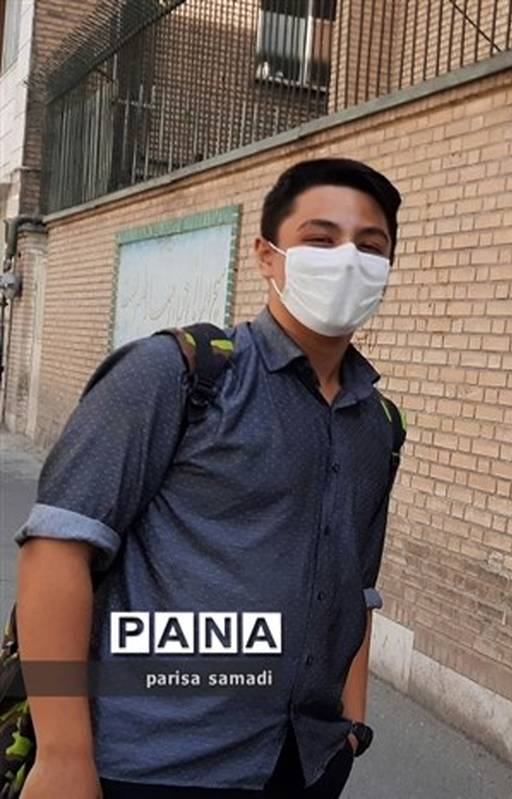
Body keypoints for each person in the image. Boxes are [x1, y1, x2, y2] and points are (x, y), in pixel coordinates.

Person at [13, 157, 403, 798]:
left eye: (370, 246)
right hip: (152, 764)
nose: (347, 261)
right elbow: (58, 549)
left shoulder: (377, 424)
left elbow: (354, 583)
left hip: (305, 763)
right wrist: (61, 756)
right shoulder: (177, 375)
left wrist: (350, 724)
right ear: (267, 255)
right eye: (320, 239)